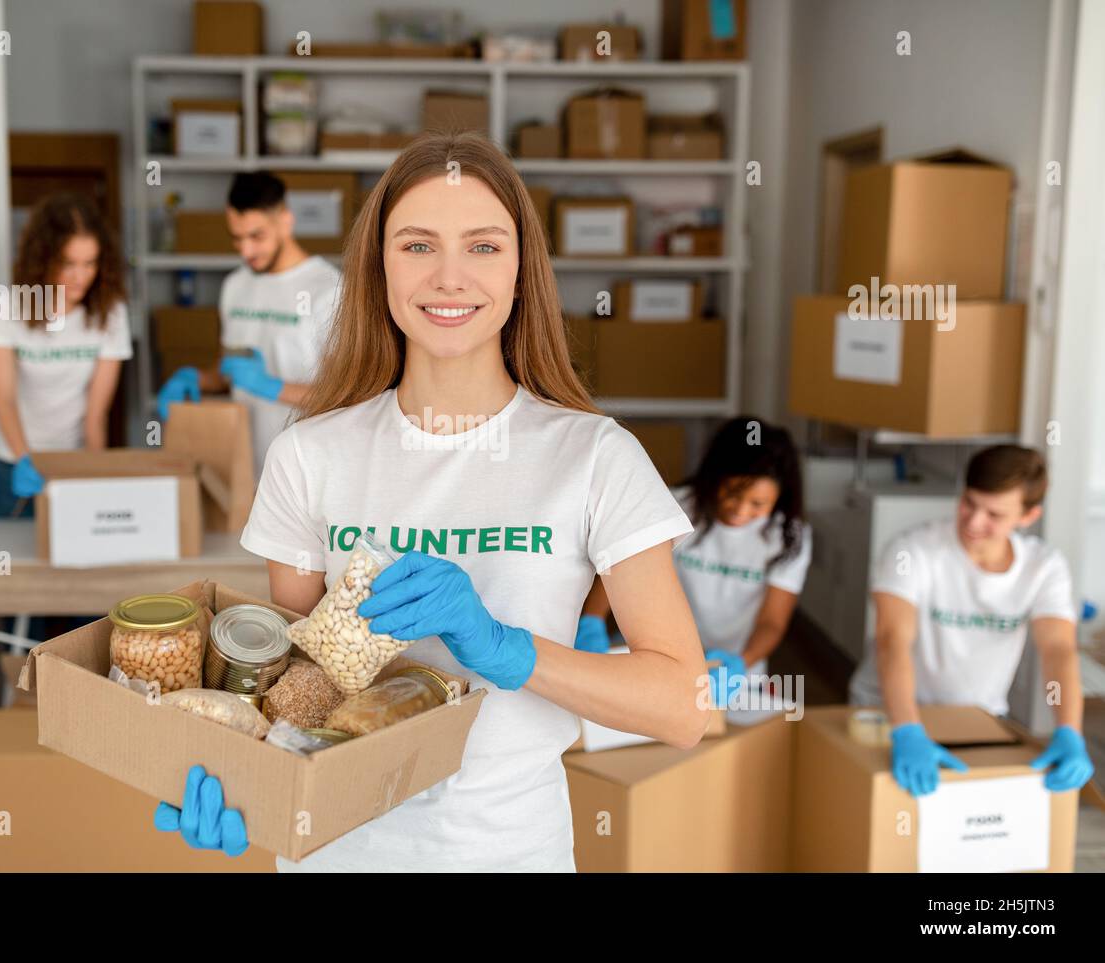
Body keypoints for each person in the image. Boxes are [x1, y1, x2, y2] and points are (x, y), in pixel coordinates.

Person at [152, 130, 710, 871]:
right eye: (417, 245)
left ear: (521, 272)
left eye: (483, 246)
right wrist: (239, 786)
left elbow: (683, 704)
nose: (450, 277)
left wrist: (506, 648)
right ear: (378, 267)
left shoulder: (595, 457)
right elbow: (292, 691)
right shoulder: (307, 455)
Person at [850, 445, 1094, 796]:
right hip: (886, 718)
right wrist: (906, 729)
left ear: (1028, 516)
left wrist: (1068, 729)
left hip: (979, 722)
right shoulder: (912, 550)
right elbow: (892, 640)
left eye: (994, 514)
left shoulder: (1044, 568)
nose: (974, 521)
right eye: (969, 503)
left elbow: (1056, 649)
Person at [576, 417, 811, 710]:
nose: (740, 510)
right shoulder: (672, 506)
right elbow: (623, 566)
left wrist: (740, 664)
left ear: (779, 498)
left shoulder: (789, 538)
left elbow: (772, 622)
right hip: (662, 656)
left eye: (758, 504)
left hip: (734, 670)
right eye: (732, 494)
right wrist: (592, 619)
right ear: (714, 477)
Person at [157, 171, 341, 479]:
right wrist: (200, 380)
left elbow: (345, 396)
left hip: (306, 473)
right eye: (237, 237)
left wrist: (273, 387)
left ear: (285, 221)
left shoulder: (330, 290)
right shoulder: (235, 286)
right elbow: (231, 373)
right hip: (243, 468)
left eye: (256, 236)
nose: (246, 251)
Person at [0, 193, 130, 517]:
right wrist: (24, 459)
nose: (81, 277)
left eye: (90, 263)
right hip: (13, 464)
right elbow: (3, 399)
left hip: (73, 462)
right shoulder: (7, 308)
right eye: (69, 264)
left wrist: (95, 473)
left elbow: (96, 414)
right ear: (43, 259)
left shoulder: (112, 314)